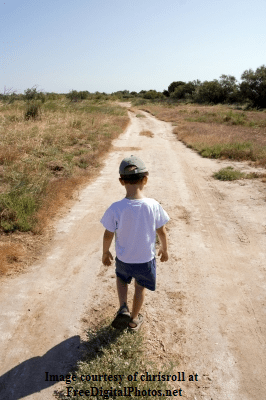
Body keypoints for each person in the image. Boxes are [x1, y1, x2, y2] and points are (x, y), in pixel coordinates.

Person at [100, 155, 170, 330]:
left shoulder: (116, 207)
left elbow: (108, 234)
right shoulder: (153, 205)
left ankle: (123, 307)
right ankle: (133, 320)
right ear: (145, 180)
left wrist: (105, 252)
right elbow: (162, 231)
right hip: (145, 260)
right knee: (140, 288)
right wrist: (164, 249)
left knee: (122, 280)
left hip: (124, 259)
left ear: (121, 181)